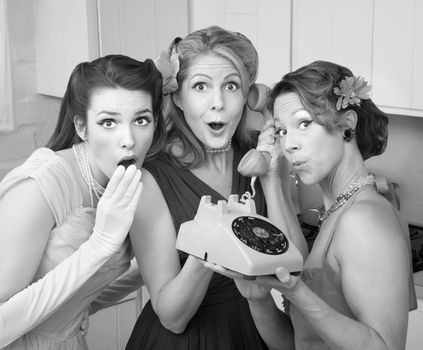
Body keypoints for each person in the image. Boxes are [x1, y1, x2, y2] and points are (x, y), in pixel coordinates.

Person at [205, 60, 417, 350]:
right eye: (282, 131)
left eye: (303, 123)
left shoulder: (363, 220)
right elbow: (298, 343)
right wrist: (258, 299)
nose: (289, 143)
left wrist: (296, 291)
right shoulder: (337, 212)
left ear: (347, 125)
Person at [126, 26, 307, 350]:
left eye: (232, 86)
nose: (219, 103)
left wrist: (271, 178)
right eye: (200, 86)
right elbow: (171, 317)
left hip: (255, 327)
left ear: (248, 95)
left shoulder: (263, 157)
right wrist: (208, 246)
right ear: (178, 97)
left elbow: (294, 262)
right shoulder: (151, 179)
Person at [0, 54, 166, 349]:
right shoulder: (39, 188)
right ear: (81, 127)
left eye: (141, 120)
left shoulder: (128, 184)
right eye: (108, 122)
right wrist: (99, 245)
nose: (128, 139)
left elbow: (78, 299)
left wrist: (158, 264)